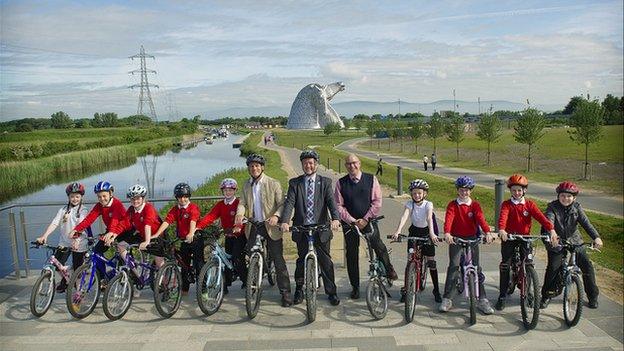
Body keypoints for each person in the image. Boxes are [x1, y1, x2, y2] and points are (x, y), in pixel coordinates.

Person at [280, 149, 341, 306]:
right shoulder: (295, 183)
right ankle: (299, 289)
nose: (308, 165)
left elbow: (331, 203)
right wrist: (285, 221)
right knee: (301, 260)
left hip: (321, 228)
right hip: (302, 228)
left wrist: (335, 219)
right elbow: (290, 203)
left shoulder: (325, 182)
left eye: (311, 163)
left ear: (316, 165)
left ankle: (331, 292)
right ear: (302, 164)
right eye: (305, 163)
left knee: (326, 261)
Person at [335, 154, 397, 299]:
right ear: (346, 166)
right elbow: (339, 206)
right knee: (351, 254)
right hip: (350, 224)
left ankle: (388, 269)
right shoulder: (341, 183)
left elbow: (377, 202)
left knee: (378, 245)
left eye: (354, 163)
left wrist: (365, 218)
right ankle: (355, 286)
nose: (352, 166)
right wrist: (352, 220)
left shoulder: (371, 179)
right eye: (349, 164)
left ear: (359, 163)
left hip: (369, 220)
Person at [235, 153, 293, 307]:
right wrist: (240, 214)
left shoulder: (273, 183)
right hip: (255, 225)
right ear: (249, 168)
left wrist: (276, 216)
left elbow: (282, 204)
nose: (254, 168)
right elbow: (242, 203)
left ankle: (285, 293)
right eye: (251, 166)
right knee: (251, 254)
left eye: (257, 166)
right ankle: (253, 285)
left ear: (262, 167)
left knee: (278, 260)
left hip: (271, 226)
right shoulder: (247, 185)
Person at [495, 174, 557, 311]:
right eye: (514, 190)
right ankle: (502, 295)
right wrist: (502, 230)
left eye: (519, 190)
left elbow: (541, 218)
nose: (516, 193)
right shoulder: (506, 204)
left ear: (524, 190)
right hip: (509, 238)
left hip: (525, 238)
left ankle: (528, 292)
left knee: (528, 264)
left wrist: (551, 230)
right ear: (510, 191)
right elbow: (503, 217)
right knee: (505, 265)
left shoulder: (529, 205)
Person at [540, 181, 603, 309]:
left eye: (569, 196)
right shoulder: (552, 207)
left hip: (575, 241)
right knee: (553, 267)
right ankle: (546, 295)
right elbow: (549, 221)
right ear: (558, 196)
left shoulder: (577, 207)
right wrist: (552, 233)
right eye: (563, 195)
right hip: (556, 240)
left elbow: (586, 224)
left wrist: (596, 237)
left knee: (587, 266)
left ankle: (592, 296)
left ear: (574, 198)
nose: (566, 198)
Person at [439, 176, 495, 314]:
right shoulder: (453, 205)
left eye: (467, 190)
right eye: (461, 190)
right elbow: (449, 219)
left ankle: (482, 299)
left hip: (472, 238)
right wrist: (447, 233)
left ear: (470, 191)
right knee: (454, 266)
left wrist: (487, 232)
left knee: (476, 268)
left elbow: (481, 219)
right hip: (456, 239)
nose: (464, 193)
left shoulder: (474, 205)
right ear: (458, 191)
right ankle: (447, 298)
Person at [69, 181, 130, 283]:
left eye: (104, 196)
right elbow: (89, 219)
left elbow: (115, 221)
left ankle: (130, 277)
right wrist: (76, 229)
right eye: (99, 197)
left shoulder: (117, 204)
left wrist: (111, 234)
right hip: (110, 231)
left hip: (124, 231)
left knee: (124, 257)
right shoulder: (99, 206)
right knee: (96, 252)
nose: (102, 199)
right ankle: (102, 279)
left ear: (111, 194)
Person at [392, 179, 441, 303]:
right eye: (414, 193)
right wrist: (397, 231)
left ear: (425, 193)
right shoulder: (410, 204)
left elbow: (429, 218)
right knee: (410, 260)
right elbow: (404, 217)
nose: (417, 195)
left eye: (419, 193)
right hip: (414, 232)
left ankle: (436, 290)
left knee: (431, 262)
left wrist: (432, 234)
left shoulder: (428, 204)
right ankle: (407, 288)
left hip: (426, 232)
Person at [36, 182, 91, 293]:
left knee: (77, 270)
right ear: (68, 197)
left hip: (79, 243)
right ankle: (66, 280)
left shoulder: (83, 210)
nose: (74, 199)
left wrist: (76, 239)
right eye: (72, 196)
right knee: (57, 264)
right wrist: (44, 236)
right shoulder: (63, 210)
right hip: (65, 242)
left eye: (77, 196)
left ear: (81, 197)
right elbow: (55, 223)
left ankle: (78, 292)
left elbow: (81, 225)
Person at [197, 178, 246, 294]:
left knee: (237, 258)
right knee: (225, 259)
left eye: (230, 190)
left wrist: (238, 226)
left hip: (239, 236)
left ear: (235, 191)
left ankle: (246, 281)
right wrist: (197, 227)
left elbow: (243, 217)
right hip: (228, 236)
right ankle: (225, 285)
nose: (228, 192)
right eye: (225, 190)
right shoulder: (220, 205)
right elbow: (210, 217)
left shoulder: (238, 203)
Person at [153, 182, 202, 294]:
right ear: (177, 198)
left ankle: (203, 290)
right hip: (183, 240)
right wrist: (157, 234)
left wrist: (191, 233)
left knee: (199, 264)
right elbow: (167, 221)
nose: (182, 199)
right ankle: (184, 289)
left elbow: (193, 220)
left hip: (195, 238)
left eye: (185, 197)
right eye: (180, 197)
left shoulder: (193, 207)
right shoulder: (176, 209)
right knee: (184, 265)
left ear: (188, 196)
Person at [104, 185, 165, 271]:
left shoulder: (148, 208)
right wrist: (113, 236)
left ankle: (165, 283)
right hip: (143, 235)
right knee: (121, 245)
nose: (135, 201)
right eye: (132, 199)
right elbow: (123, 224)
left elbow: (147, 225)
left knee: (160, 264)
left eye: (138, 198)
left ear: (143, 198)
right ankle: (133, 270)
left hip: (156, 237)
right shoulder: (131, 210)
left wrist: (147, 241)